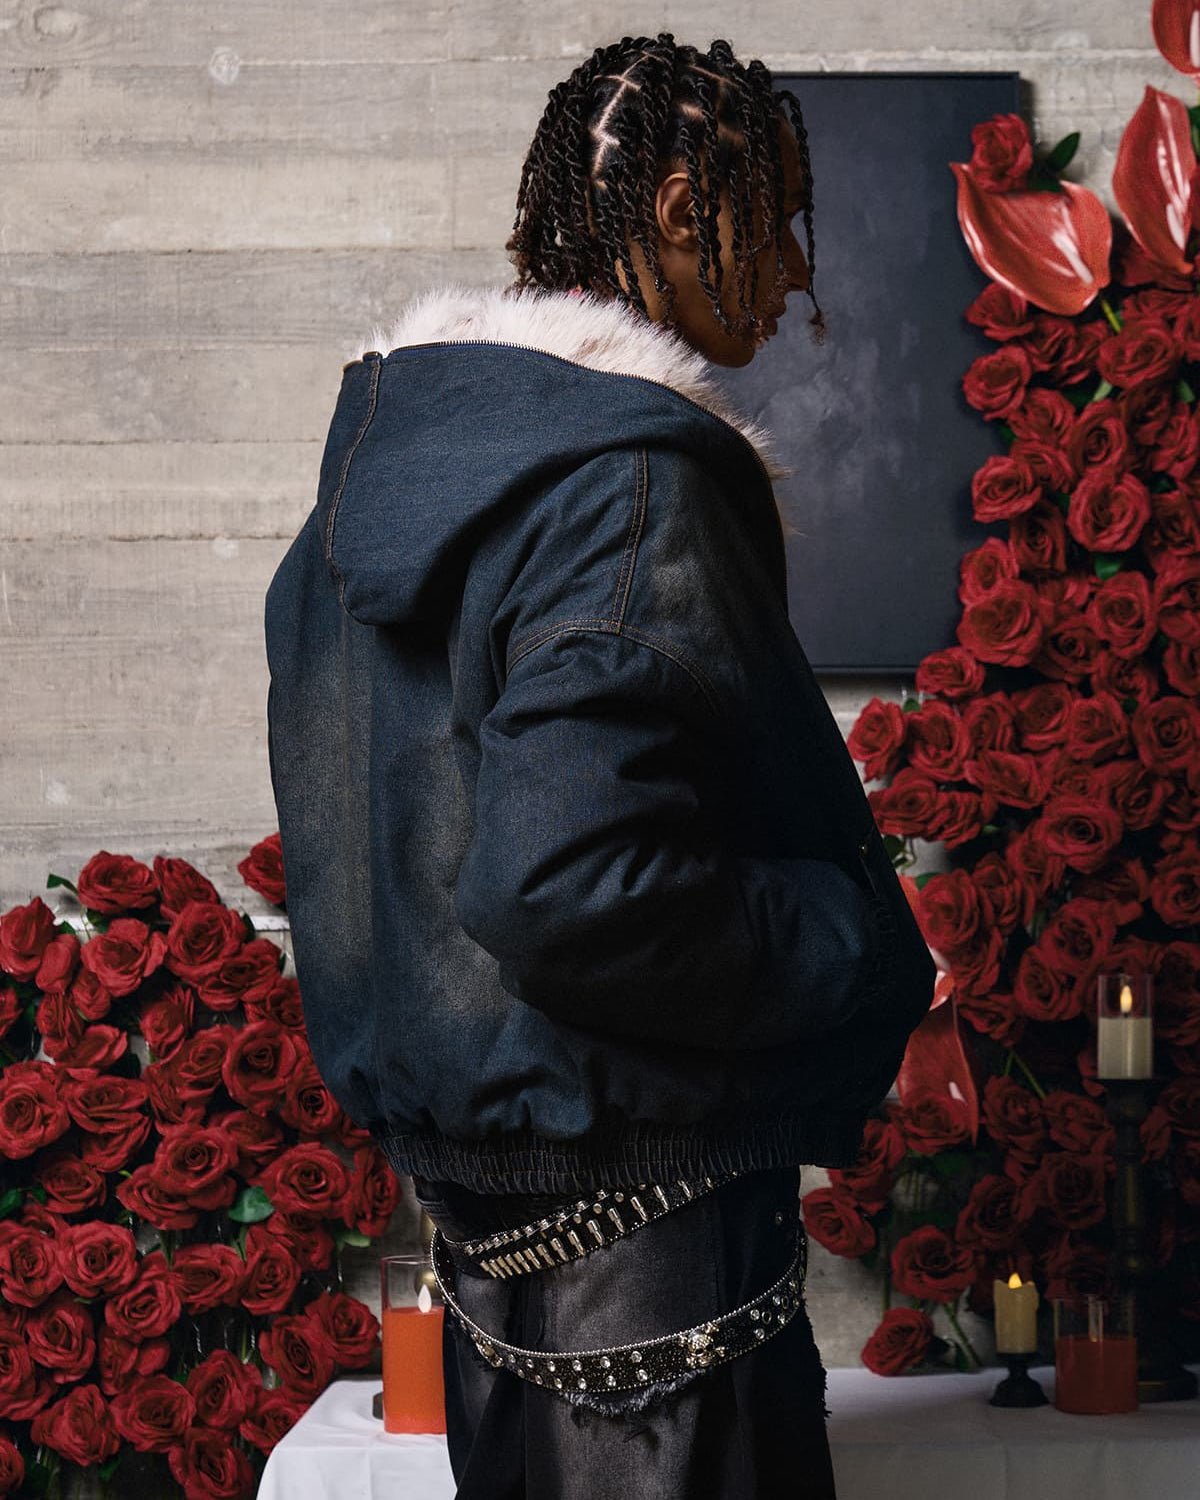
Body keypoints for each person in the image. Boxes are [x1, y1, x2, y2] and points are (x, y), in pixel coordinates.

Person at [264, 33, 935, 1499]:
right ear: (687, 208)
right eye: (782, 220)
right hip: (663, 1304)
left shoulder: (365, 500)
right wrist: (859, 940)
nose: (799, 279)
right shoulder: (631, 486)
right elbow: (571, 883)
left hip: (506, 1277)